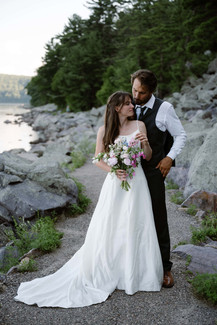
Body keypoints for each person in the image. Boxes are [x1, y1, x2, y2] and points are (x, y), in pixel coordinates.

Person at [14, 91, 163, 308]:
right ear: (117, 108)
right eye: (128, 103)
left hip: (137, 182)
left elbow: (147, 156)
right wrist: (114, 169)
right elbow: (97, 159)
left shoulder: (140, 126)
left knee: (137, 223)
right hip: (116, 183)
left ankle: (136, 272)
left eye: (131, 103)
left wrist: (146, 143)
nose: (133, 106)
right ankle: (112, 268)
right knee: (112, 224)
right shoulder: (105, 130)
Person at [131, 69, 187, 288]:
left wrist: (169, 159)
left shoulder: (165, 108)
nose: (136, 96)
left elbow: (181, 135)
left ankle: (165, 268)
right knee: (132, 217)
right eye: (135, 90)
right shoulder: (127, 104)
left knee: (158, 218)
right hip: (131, 172)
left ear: (151, 91)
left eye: (142, 93)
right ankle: (135, 264)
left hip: (154, 170)